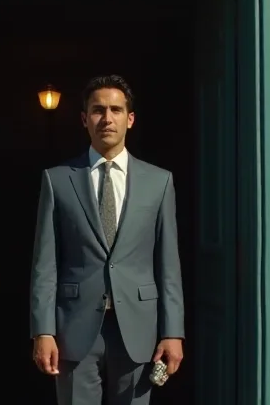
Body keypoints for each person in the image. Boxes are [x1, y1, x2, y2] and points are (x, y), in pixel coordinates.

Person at [29, 75, 185, 405]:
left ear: (130, 119)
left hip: (138, 328)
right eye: (98, 110)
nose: (107, 118)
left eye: (116, 109)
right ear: (85, 119)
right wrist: (42, 330)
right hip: (74, 328)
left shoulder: (159, 182)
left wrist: (173, 332)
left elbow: (168, 264)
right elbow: (46, 263)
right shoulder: (57, 180)